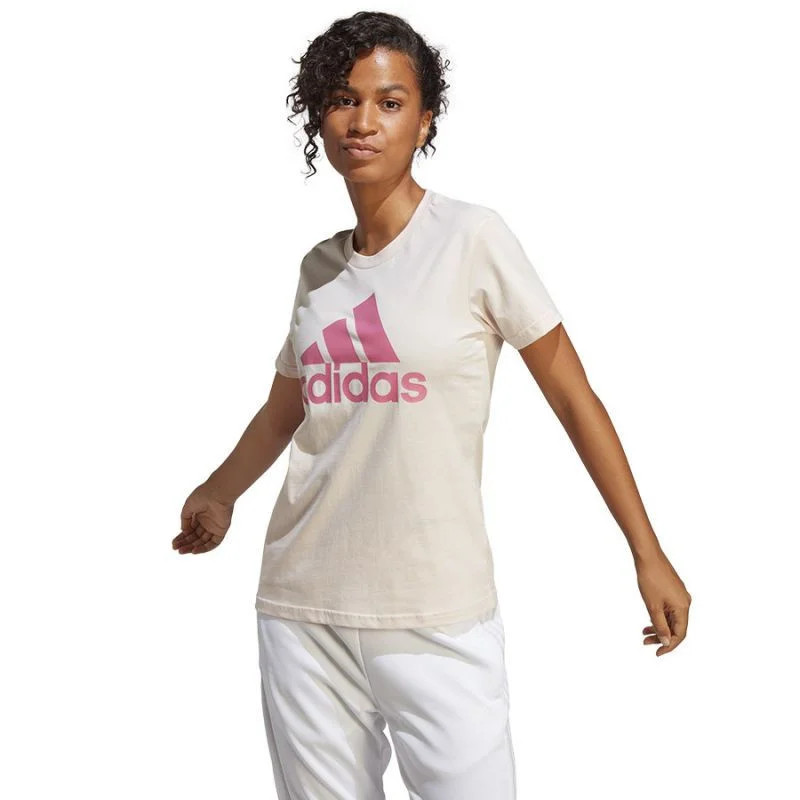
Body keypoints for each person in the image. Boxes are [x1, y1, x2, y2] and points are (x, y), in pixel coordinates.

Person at [172, 11, 692, 799]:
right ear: (318, 116)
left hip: (436, 610)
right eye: (343, 99)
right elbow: (286, 410)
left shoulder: (473, 239)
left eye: (389, 102)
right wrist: (218, 493)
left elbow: (572, 395)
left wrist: (645, 551)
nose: (363, 121)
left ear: (424, 121)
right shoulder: (318, 269)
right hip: (302, 606)